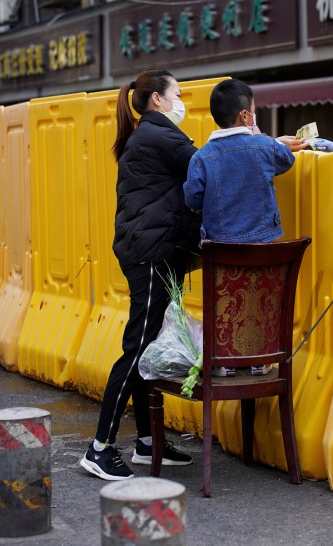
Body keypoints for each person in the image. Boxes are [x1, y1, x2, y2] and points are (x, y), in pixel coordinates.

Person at [81, 69, 199, 481]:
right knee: (137, 349)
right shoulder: (158, 133)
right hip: (151, 255)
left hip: (151, 251)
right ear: (157, 101)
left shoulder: (147, 134)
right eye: (177, 94)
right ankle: (99, 448)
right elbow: (204, 166)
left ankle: (150, 442)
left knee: (149, 345)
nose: (181, 101)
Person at [183, 79, 298, 244]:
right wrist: (259, 136)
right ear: (245, 115)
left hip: (221, 248)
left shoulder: (200, 158)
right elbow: (286, 159)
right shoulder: (264, 146)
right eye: (253, 110)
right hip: (263, 243)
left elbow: (193, 200)